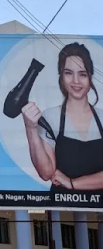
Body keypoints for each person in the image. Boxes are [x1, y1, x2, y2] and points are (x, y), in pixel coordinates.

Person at [22, 42, 103, 191]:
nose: (76, 81)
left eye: (82, 74)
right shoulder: (50, 116)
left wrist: (72, 183)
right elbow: (46, 173)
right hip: (62, 206)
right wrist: (30, 128)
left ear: (90, 77)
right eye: (68, 73)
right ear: (61, 77)